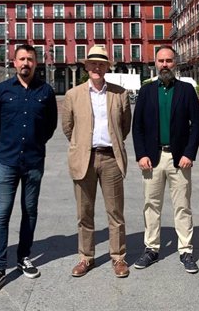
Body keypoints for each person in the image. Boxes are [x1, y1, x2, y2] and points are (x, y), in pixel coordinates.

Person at [0, 44, 58, 296]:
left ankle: (24, 256)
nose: (26, 63)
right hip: (7, 161)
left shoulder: (45, 91)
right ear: (13, 62)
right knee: (1, 213)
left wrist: (35, 144)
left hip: (34, 161)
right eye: (21, 59)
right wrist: (8, 145)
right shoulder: (2, 91)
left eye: (30, 59)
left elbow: (50, 126)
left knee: (30, 211)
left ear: (36, 63)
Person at [61, 45, 132, 278]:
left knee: (115, 212)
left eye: (102, 64)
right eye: (93, 63)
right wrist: (81, 144)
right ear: (87, 67)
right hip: (84, 158)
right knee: (84, 212)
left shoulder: (120, 93)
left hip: (111, 158)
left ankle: (118, 257)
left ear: (107, 67)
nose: (97, 67)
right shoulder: (73, 95)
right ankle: (86, 257)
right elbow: (68, 127)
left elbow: (124, 127)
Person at [132, 45, 199, 274]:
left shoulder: (186, 90)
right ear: (155, 63)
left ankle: (186, 250)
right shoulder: (146, 91)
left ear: (176, 63)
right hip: (152, 159)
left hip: (179, 158)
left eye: (169, 61)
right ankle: (151, 249)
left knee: (183, 206)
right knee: (151, 205)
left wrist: (189, 154)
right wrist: (141, 154)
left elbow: (197, 126)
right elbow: (138, 127)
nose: (165, 65)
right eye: (161, 61)